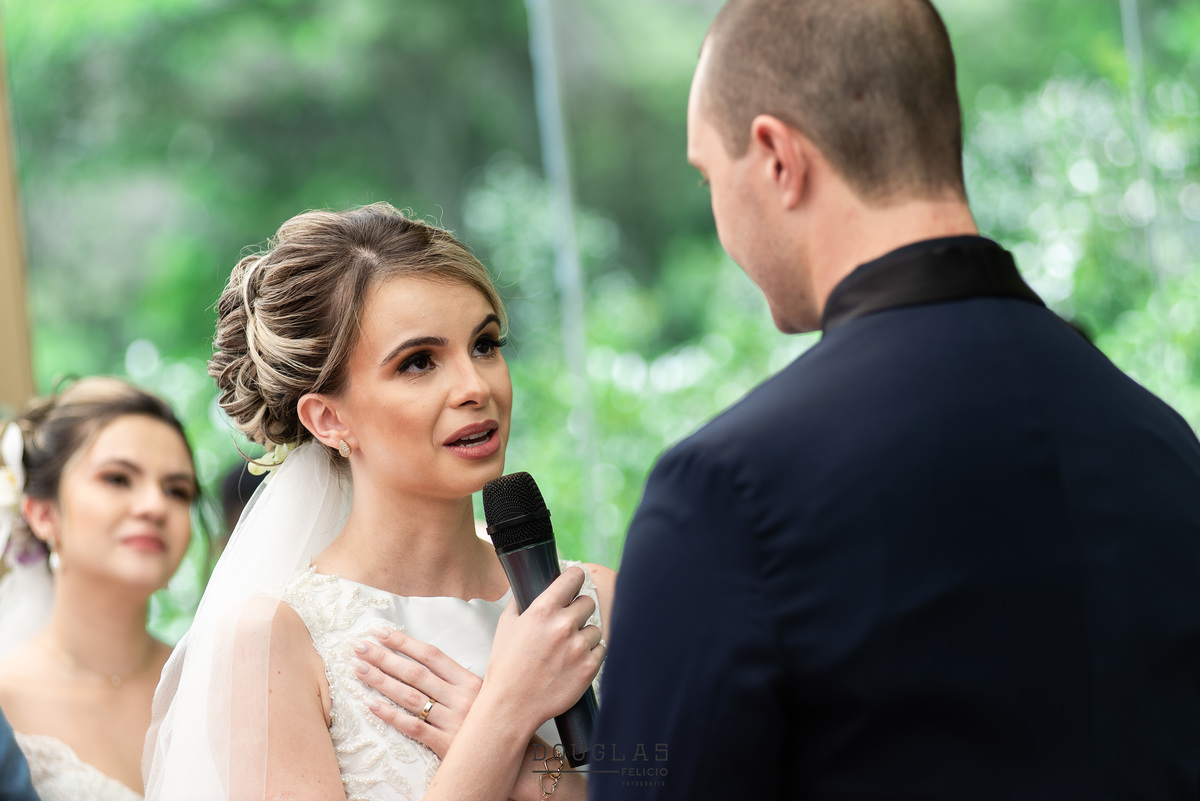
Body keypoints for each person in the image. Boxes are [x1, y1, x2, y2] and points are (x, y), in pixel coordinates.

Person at [592, 1, 1200, 798]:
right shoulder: (1165, 444)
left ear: (776, 156)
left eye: (709, 174)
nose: (715, 212)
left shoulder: (724, 490)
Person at [144, 202, 615, 801]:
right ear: (328, 419)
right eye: (419, 362)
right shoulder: (276, 641)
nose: (476, 388)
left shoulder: (596, 601)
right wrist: (503, 714)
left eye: (486, 344)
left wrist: (534, 767)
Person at [0, 377, 199, 800]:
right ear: (42, 514)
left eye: (177, 491)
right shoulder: (5, 700)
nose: (154, 506)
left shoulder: (216, 679)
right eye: (117, 479)